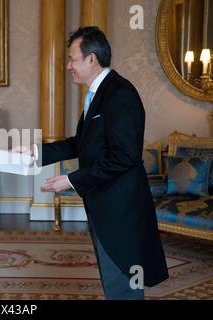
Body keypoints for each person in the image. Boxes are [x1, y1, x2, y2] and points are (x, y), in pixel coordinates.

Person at [13, 26, 168, 299]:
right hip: (106, 204)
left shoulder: (119, 94)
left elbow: (125, 157)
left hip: (121, 210)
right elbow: (80, 143)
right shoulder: (100, 92)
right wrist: (36, 152)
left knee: (123, 284)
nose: (68, 66)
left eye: (72, 59)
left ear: (91, 59)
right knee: (115, 281)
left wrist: (72, 179)